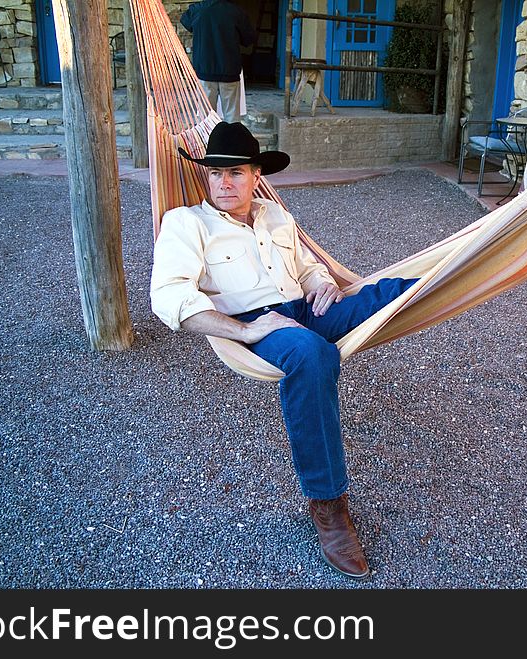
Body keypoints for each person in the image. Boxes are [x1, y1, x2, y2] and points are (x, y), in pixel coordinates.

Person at [150, 122, 417, 579]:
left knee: (396, 291)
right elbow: (169, 299)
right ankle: (328, 506)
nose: (224, 182)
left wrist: (324, 284)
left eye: (235, 172)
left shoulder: (276, 216)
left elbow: (309, 266)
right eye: (215, 174)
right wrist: (246, 332)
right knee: (312, 355)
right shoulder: (186, 223)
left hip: (307, 308)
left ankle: (503, 235)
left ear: (257, 175)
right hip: (259, 324)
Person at [180, 0, 256, 124]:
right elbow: (249, 39)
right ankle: (230, 143)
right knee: (232, 119)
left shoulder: (196, 10)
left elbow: (186, 22)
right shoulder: (236, 12)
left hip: (205, 70)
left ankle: (208, 143)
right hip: (229, 70)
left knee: (206, 120)